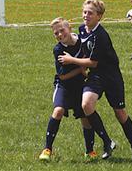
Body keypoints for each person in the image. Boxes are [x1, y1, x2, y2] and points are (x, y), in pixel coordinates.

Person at [58, 0, 132, 162]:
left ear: (99, 16)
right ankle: (107, 142)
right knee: (86, 104)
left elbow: (93, 62)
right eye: (84, 12)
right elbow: (84, 52)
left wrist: (72, 61)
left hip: (111, 77)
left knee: (120, 113)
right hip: (96, 76)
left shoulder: (101, 35)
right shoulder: (82, 30)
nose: (86, 15)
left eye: (90, 13)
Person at [39, 18, 97, 162]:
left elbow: (92, 60)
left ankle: (89, 151)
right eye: (55, 33)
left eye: (62, 30)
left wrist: (84, 68)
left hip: (81, 85)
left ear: (70, 28)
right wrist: (80, 67)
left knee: (85, 116)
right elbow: (63, 76)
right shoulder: (58, 49)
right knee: (58, 111)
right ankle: (47, 149)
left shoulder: (82, 41)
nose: (59, 34)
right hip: (64, 85)